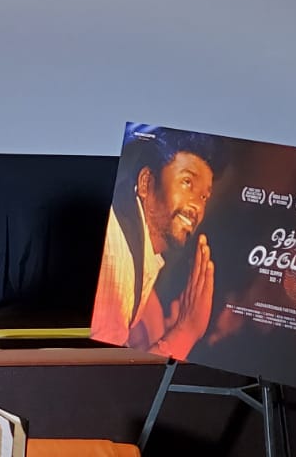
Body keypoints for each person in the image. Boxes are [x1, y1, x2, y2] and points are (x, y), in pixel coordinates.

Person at [90, 130, 218, 356]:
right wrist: (185, 331)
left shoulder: (140, 253)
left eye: (204, 197)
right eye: (187, 182)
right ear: (146, 182)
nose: (197, 207)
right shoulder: (116, 259)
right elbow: (100, 368)